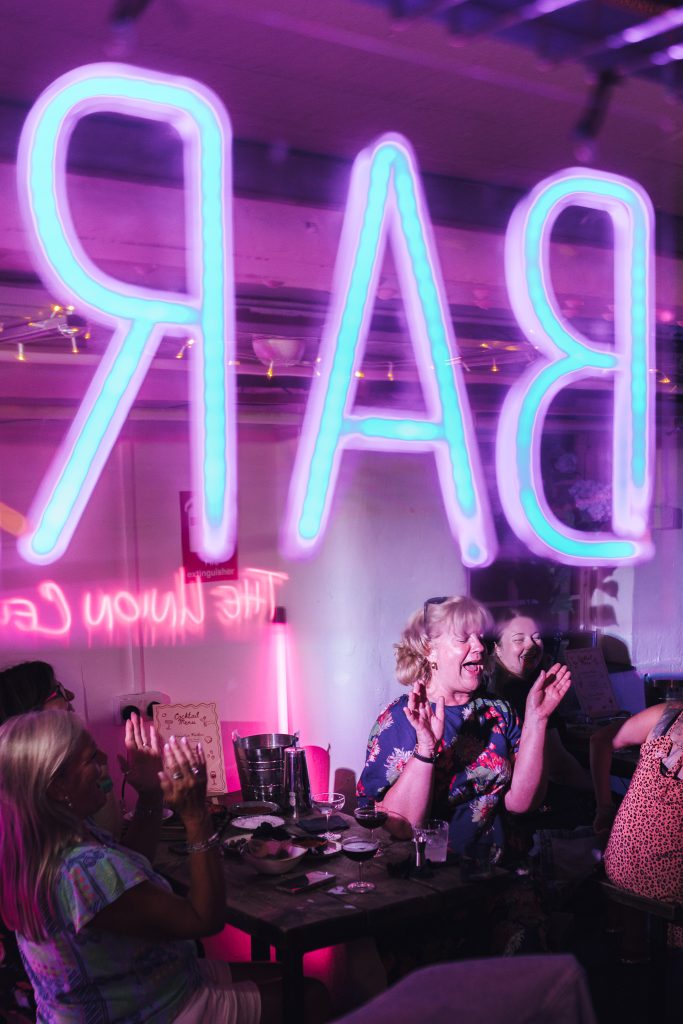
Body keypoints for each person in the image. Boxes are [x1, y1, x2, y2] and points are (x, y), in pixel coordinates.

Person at [0, 709, 292, 1024]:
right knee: (310, 993)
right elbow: (204, 919)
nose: (104, 759)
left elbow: (124, 881)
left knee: (285, 975)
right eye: (91, 758)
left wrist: (151, 794)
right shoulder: (80, 870)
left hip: (141, 983)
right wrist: (196, 815)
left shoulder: (42, 847)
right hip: (149, 1010)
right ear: (57, 787)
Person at [358, 596, 571, 860]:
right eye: (463, 639)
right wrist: (425, 748)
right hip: (432, 874)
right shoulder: (403, 720)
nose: (479, 647)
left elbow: (522, 803)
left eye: (480, 637)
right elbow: (401, 827)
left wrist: (537, 719)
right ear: (429, 650)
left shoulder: (498, 711)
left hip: (497, 868)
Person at [591, 701, 683, 948]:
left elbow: (599, 740)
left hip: (620, 862)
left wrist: (604, 809)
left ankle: (634, 949)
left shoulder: (668, 713)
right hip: (671, 883)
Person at [491, 611, 592, 827]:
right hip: (533, 809)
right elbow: (558, 765)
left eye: (536, 637)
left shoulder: (497, 686)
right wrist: (598, 797)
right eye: (519, 639)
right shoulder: (521, 692)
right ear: (497, 648)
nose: (531, 645)